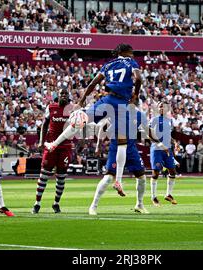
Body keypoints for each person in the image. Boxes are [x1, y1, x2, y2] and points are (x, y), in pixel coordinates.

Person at [44, 44, 142, 197]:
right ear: (125, 52)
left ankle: (53, 144)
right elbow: (139, 78)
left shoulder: (108, 64)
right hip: (123, 103)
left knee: (80, 119)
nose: (133, 55)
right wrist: (135, 95)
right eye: (131, 52)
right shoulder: (132, 63)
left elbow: (93, 83)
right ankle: (118, 180)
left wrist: (82, 101)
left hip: (108, 100)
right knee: (122, 142)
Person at [89, 107, 169, 215]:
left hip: (131, 149)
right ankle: (93, 206)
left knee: (142, 177)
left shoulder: (139, 114)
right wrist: (98, 145)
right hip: (116, 148)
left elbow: (148, 130)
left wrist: (160, 144)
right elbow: (104, 127)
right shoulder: (118, 111)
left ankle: (139, 205)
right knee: (108, 178)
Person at [32, 89, 72, 214]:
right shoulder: (51, 107)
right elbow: (44, 124)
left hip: (65, 147)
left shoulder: (73, 109)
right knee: (44, 175)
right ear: (58, 96)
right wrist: (41, 141)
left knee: (61, 177)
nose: (64, 96)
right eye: (62, 94)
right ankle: (37, 204)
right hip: (50, 146)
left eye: (66, 94)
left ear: (68, 96)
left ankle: (56, 203)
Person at [149, 102, 178, 206]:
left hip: (168, 150)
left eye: (164, 106)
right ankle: (154, 197)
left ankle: (168, 194)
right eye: (160, 106)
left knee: (173, 171)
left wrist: (174, 142)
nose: (162, 108)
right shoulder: (154, 119)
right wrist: (161, 145)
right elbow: (150, 134)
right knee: (155, 173)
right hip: (157, 149)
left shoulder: (169, 120)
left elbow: (168, 135)